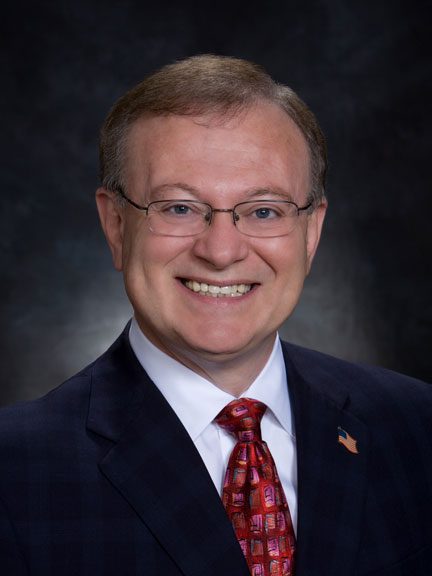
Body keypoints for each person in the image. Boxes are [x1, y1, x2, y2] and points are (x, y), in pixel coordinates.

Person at [0, 55, 431, 576]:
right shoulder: (15, 473)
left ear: (311, 232)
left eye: (264, 210)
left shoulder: (415, 428)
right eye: (179, 207)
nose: (222, 251)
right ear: (116, 225)